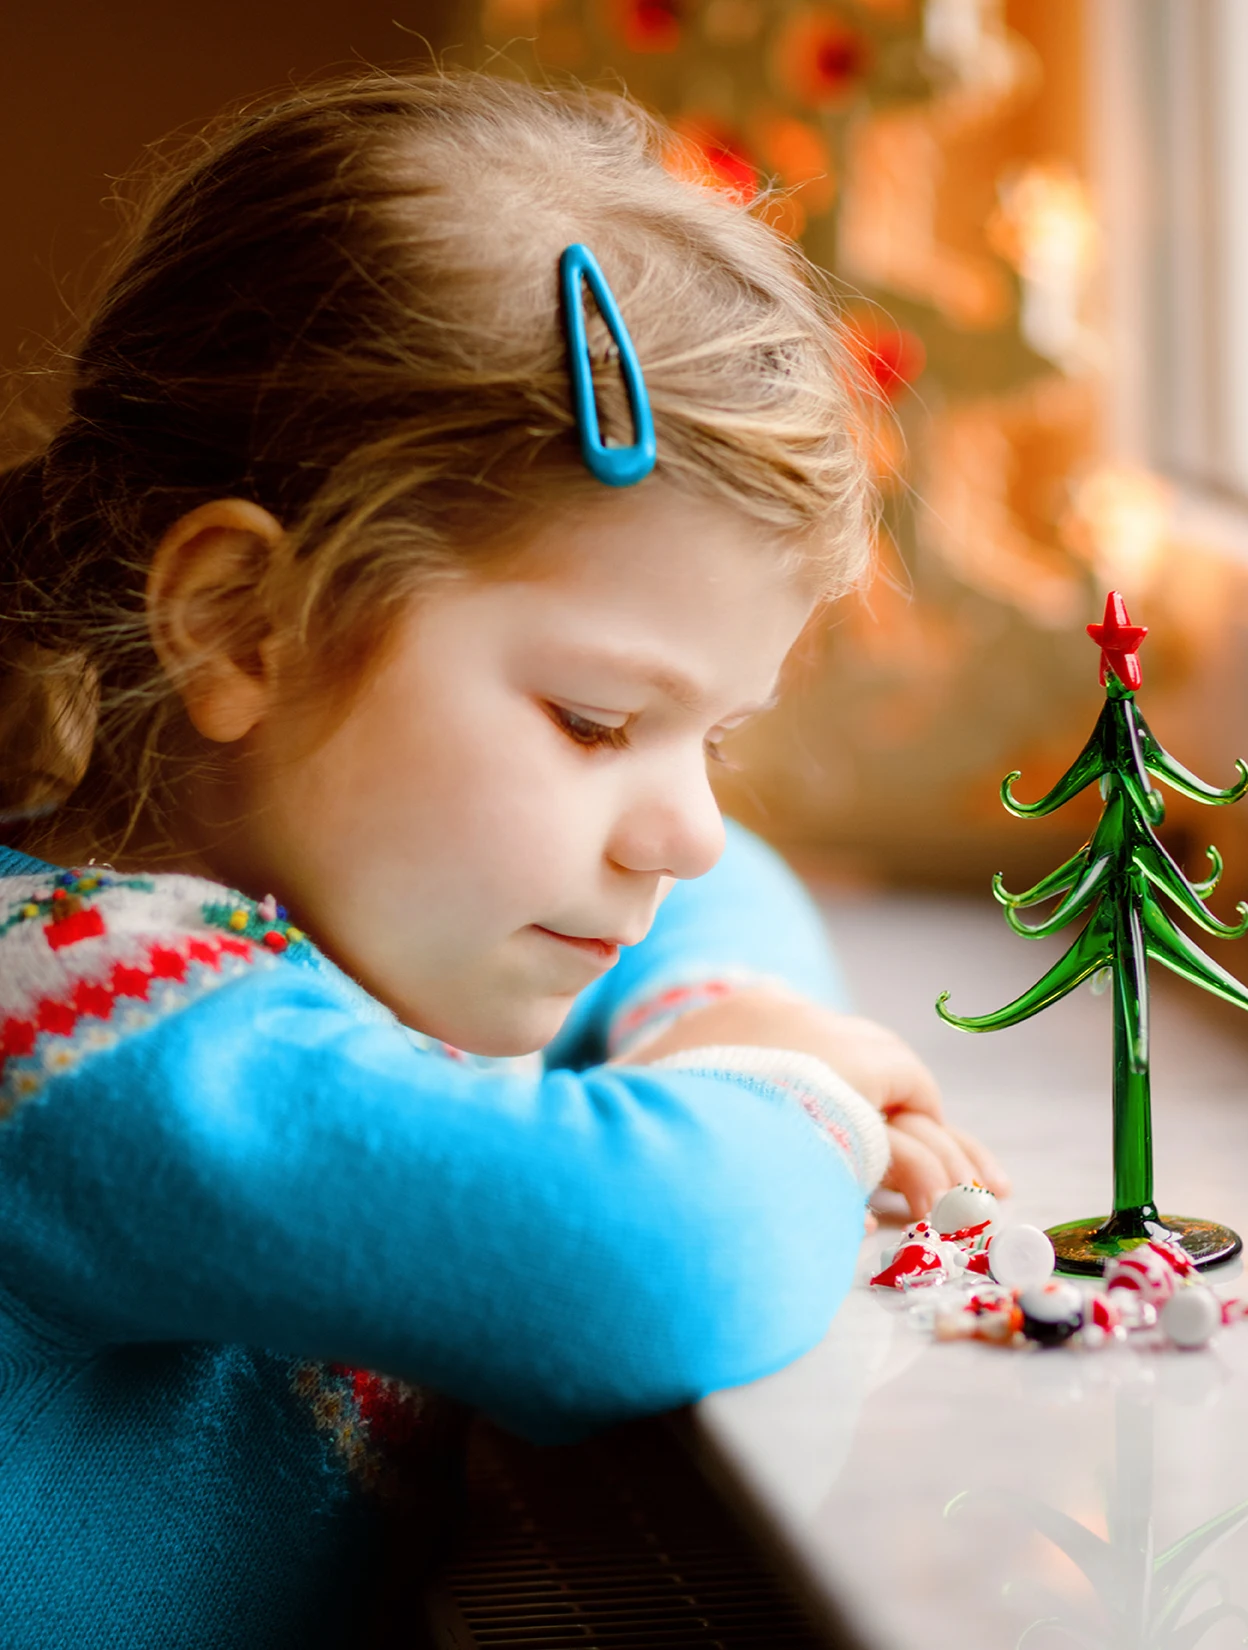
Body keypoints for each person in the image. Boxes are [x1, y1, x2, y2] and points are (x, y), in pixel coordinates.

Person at [0, 68, 1006, 1649]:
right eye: (599, 721)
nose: (683, 826)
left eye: (715, 736)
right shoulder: (64, 1022)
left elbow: (726, 885)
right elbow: (646, 1264)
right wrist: (796, 1094)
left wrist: (710, 1017)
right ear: (239, 620)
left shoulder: (351, 903)